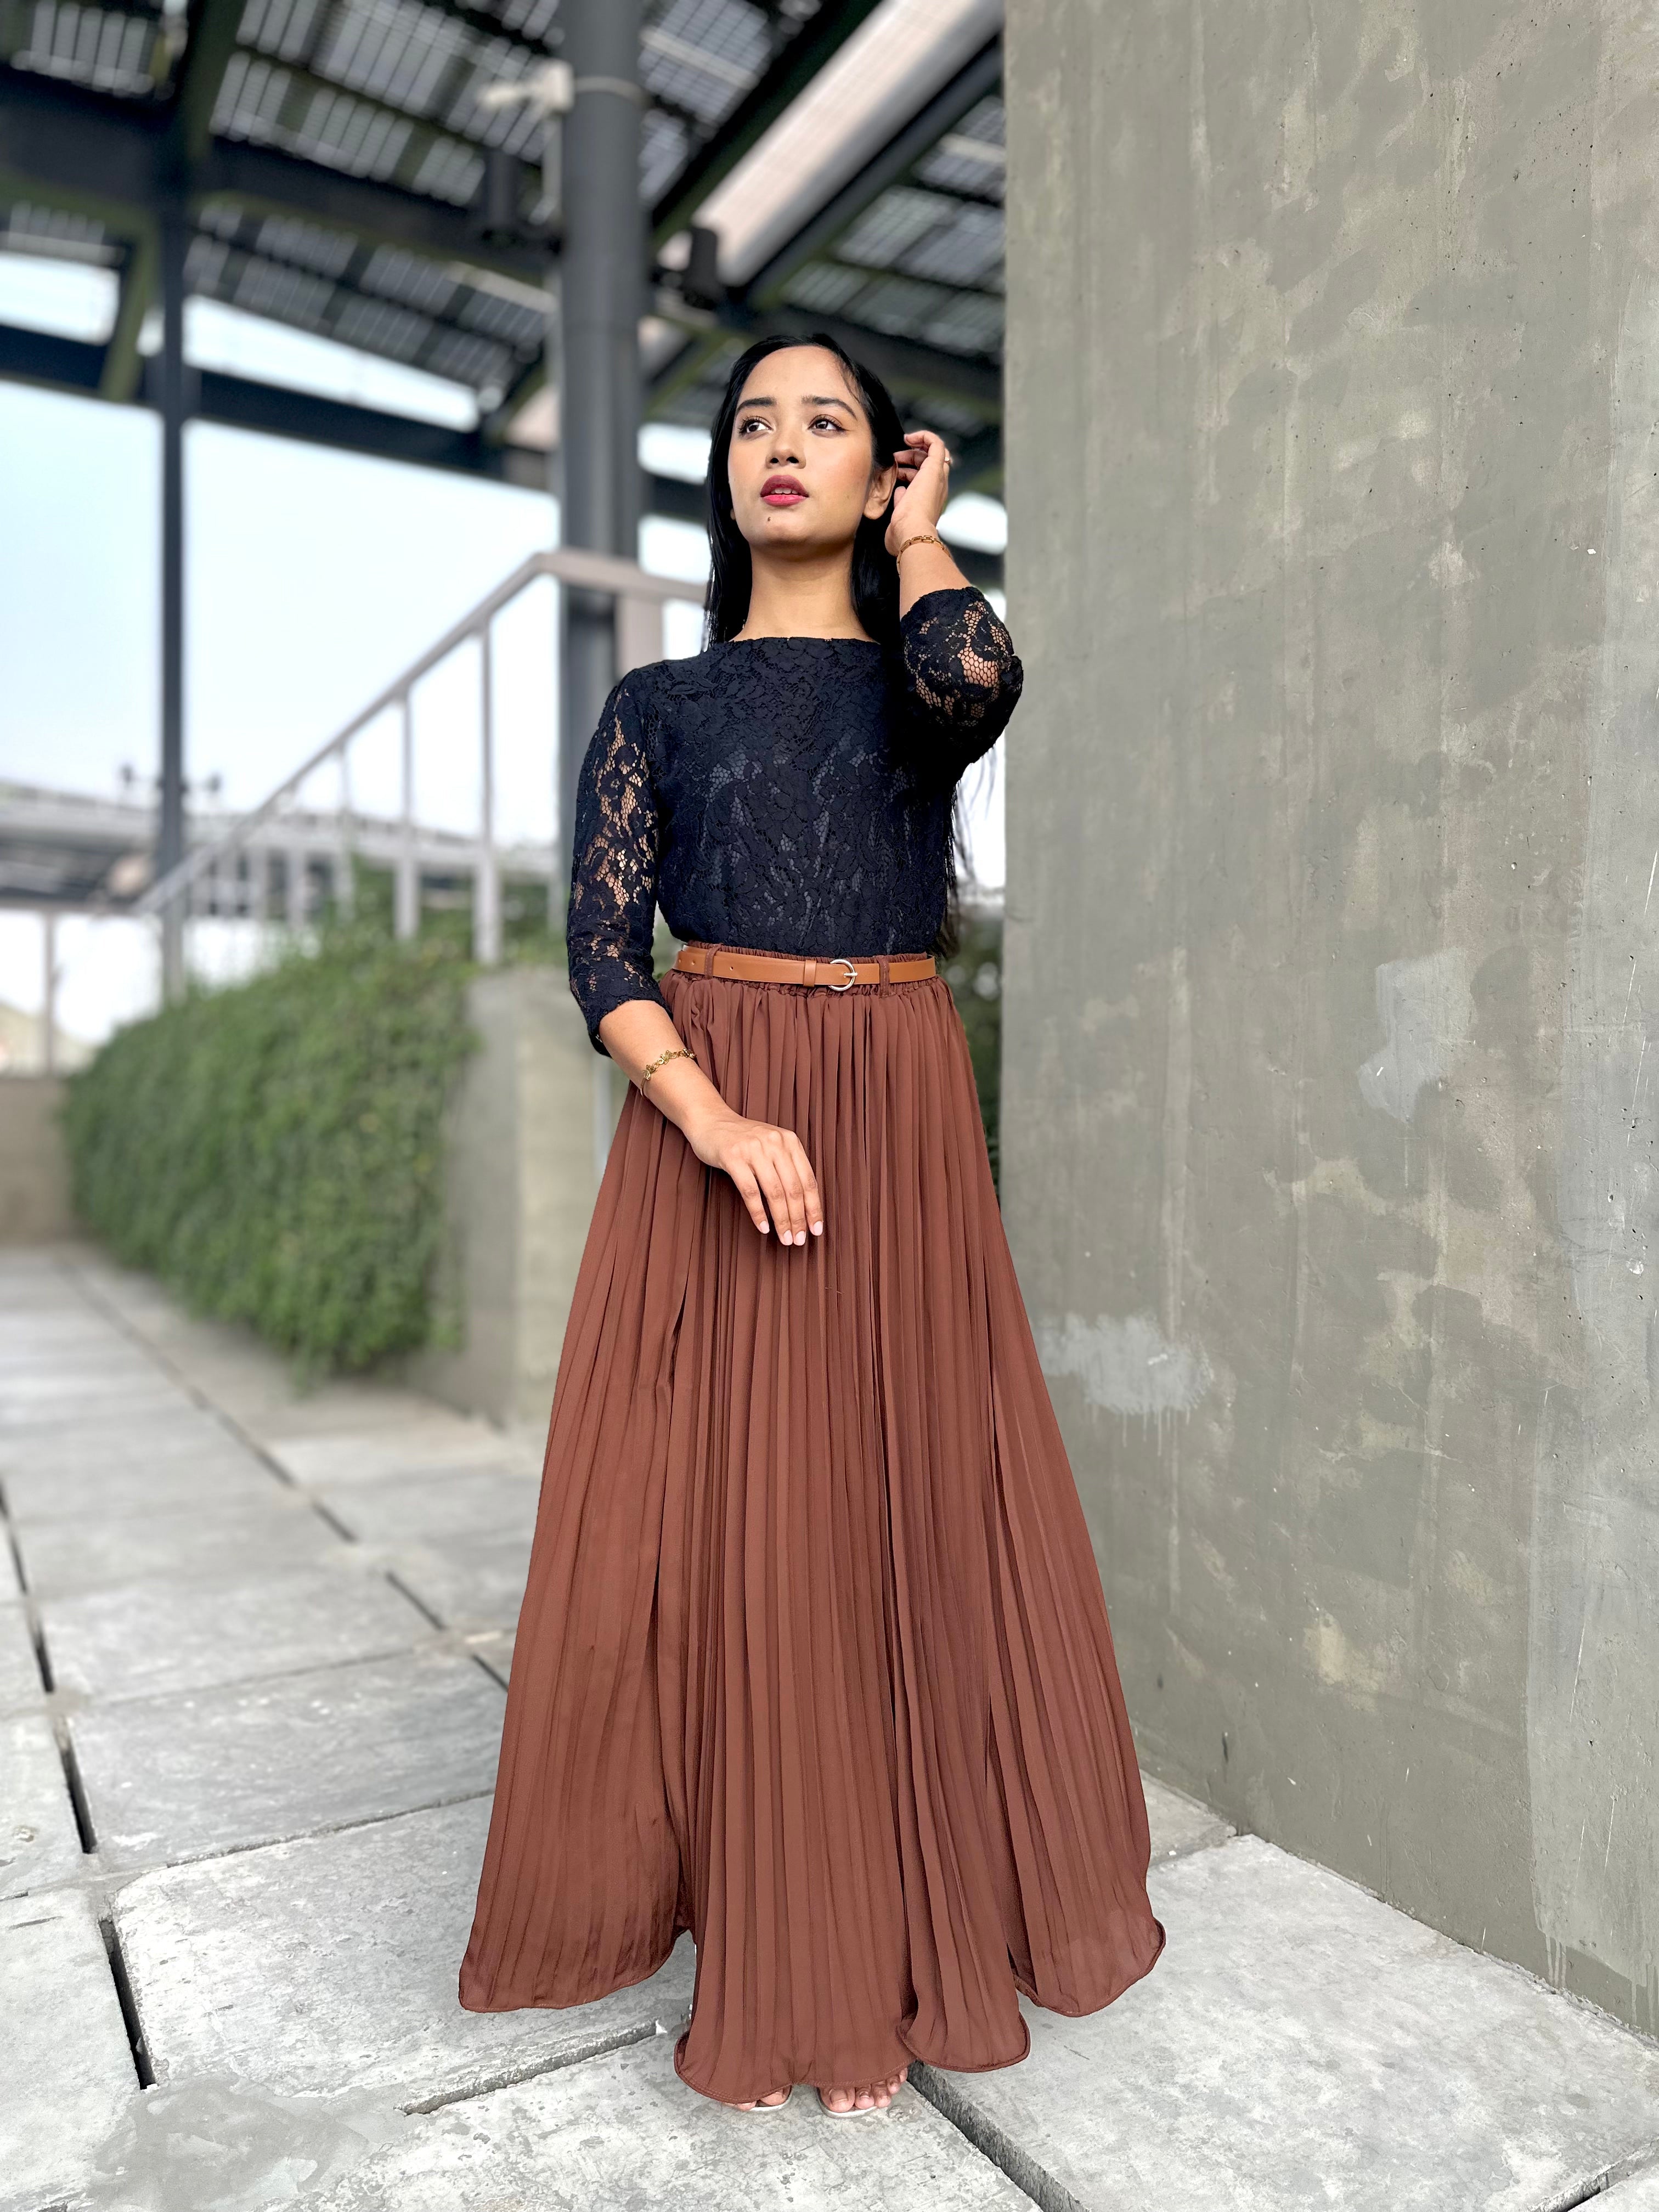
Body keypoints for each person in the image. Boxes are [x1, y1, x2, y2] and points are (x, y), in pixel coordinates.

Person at [457, 331, 1166, 2117]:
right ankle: (794, 1960)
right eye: (753, 423)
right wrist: (711, 1118)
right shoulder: (660, 708)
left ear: (878, 470)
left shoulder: (917, 685)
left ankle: (905, 1932)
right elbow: (602, 953)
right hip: (724, 1113)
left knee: (906, 1505)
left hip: (899, 1107)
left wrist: (923, 536)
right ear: (723, 475)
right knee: (747, 1527)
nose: (783, 444)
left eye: (828, 424)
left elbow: (978, 672)